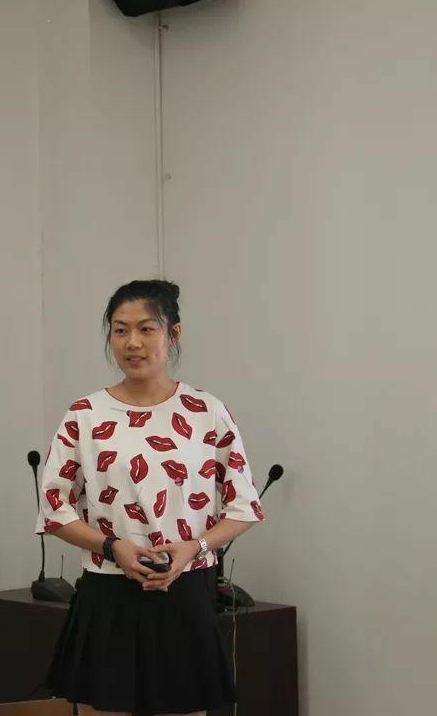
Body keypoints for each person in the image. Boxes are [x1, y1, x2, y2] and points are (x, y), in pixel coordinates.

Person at [34, 279, 266, 716]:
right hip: (108, 593)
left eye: (146, 329)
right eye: (120, 330)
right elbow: (54, 509)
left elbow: (244, 507)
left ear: (173, 334)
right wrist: (112, 547)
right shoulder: (85, 415)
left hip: (185, 592)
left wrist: (194, 547)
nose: (133, 343)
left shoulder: (206, 411)